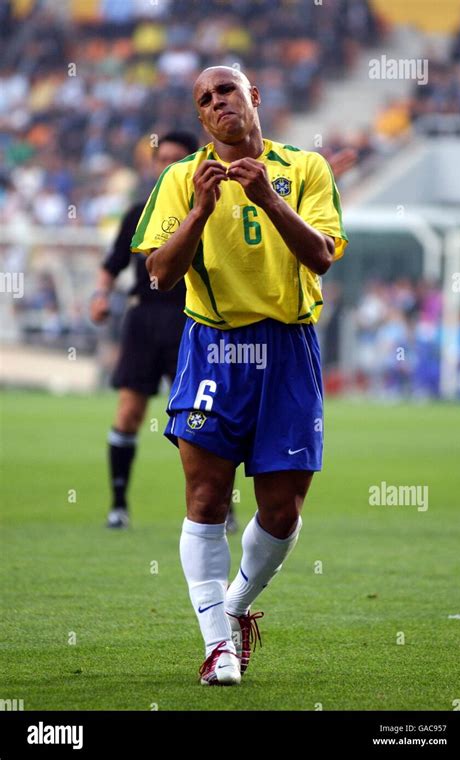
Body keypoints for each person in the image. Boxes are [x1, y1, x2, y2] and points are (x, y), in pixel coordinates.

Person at [132, 66, 348, 685]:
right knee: (205, 498)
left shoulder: (305, 168)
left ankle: (233, 610)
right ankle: (216, 647)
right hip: (215, 350)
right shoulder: (180, 178)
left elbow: (322, 256)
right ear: (201, 119)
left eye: (226, 90)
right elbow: (160, 274)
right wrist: (201, 208)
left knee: (282, 510)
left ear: (253, 96)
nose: (217, 102)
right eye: (205, 99)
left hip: (288, 347)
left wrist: (268, 198)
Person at [90, 131, 200, 529]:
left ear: (194, 164)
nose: (167, 165)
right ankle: (118, 505)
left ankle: (219, 506)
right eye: (161, 158)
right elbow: (112, 264)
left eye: (177, 158)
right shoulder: (139, 213)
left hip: (192, 321)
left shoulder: (208, 210)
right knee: (130, 412)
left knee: (199, 419)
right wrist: (99, 297)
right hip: (143, 320)